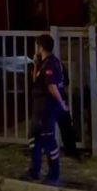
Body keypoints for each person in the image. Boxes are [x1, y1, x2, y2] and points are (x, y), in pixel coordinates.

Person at [23, 34, 68, 183]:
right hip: (39, 109)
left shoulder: (51, 64)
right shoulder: (43, 63)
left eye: (37, 45)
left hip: (46, 109)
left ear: (41, 47)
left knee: (49, 140)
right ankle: (34, 171)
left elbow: (52, 87)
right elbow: (35, 81)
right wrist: (36, 64)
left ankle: (53, 175)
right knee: (34, 138)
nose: (36, 48)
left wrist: (62, 104)